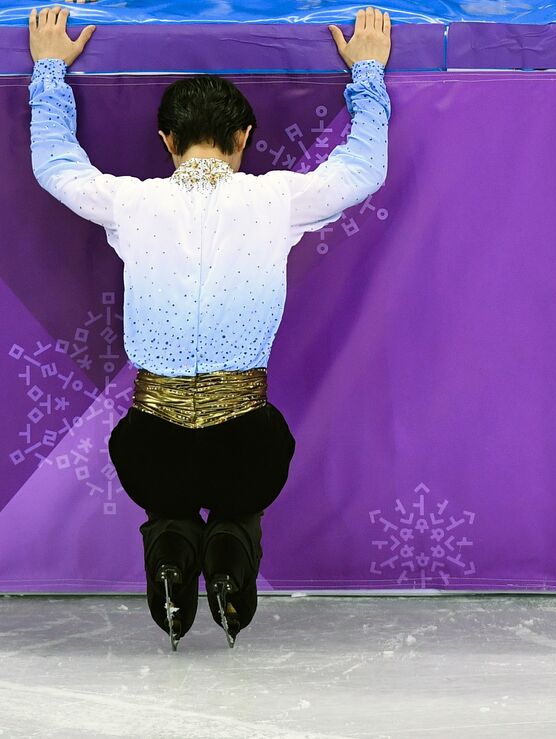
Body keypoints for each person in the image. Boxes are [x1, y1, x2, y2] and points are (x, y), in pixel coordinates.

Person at [27, 5, 392, 649]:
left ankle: (171, 546)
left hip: (152, 449)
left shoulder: (132, 202)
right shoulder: (276, 199)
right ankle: (230, 546)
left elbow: (56, 167)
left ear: (165, 140)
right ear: (245, 137)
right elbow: (363, 170)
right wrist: (366, 71)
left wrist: (50, 71)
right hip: (246, 448)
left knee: (163, 498)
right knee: (244, 490)